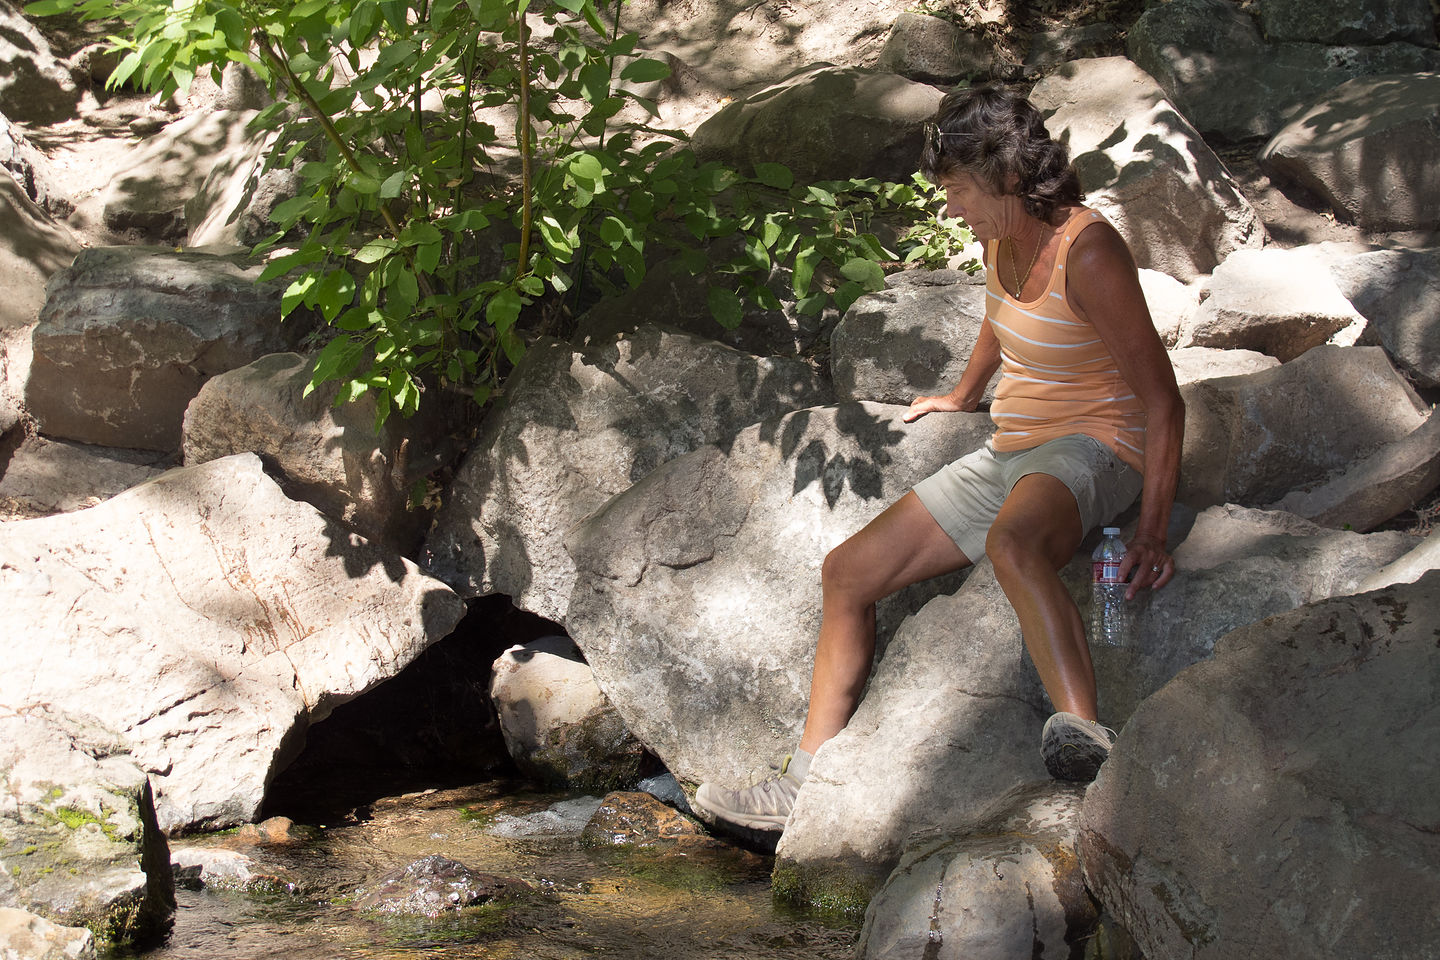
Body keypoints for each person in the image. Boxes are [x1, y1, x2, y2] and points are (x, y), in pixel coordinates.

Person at [692, 84, 1185, 834]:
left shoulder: (1089, 251)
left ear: (1005, 177)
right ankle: (802, 782)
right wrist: (962, 392)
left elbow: (1163, 400)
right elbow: (1001, 318)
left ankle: (1085, 736)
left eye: (956, 191)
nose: (950, 208)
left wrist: (1150, 530)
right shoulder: (1000, 235)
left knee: (1013, 545)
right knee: (848, 572)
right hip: (1012, 450)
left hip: (1098, 446)